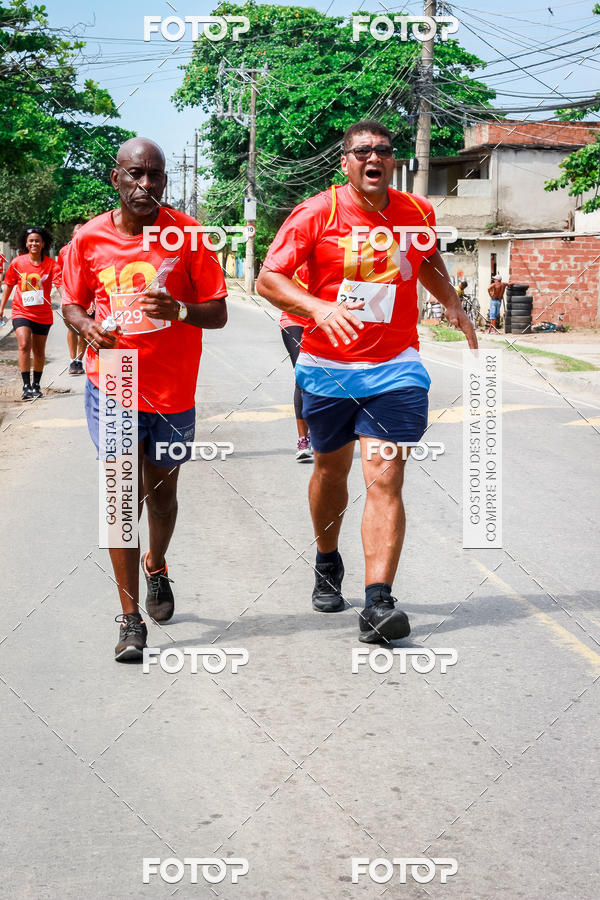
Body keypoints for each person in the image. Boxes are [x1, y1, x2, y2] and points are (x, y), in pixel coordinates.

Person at [257, 119, 477, 643]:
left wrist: (453, 304)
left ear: (392, 160)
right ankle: (327, 557)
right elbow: (269, 278)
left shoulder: (416, 212)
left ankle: (379, 603)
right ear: (345, 162)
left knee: (384, 474)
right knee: (332, 475)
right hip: (328, 367)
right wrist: (317, 306)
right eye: (361, 152)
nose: (372, 159)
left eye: (381, 150)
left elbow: (426, 260)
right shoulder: (318, 212)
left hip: (395, 365)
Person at [62, 137, 228, 661]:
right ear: (116, 178)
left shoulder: (189, 237)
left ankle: (156, 564)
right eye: (134, 174)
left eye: (155, 175)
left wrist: (178, 309)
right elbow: (70, 303)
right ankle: (130, 618)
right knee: (121, 500)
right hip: (114, 379)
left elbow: (218, 312)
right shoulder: (88, 239)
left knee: (161, 497)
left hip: (173, 390)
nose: (145, 185)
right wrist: (87, 325)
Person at [0, 226, 62, 400]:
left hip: (43, 314)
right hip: (21, 311)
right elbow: (9, 285)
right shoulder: (18, 263)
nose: (34, 243)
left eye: (37, 241)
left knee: (39, 351)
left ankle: (36, 384)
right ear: (26, 244)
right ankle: (26, 386)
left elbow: (59, 284)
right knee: (24, 344)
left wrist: (66, 303)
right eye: (31, 241)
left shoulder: (51, 265)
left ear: (43, 244)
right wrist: (1, 307)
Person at [280, 264, 313, 462]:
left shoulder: (339, 248)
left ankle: (321, 433)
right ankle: (303, 439)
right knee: (302, 375)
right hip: (295, 320)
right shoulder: (294, 255)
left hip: (324, 320)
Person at [58, 224, 87, 374]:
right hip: (70, 296)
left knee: (83, 330)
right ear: (72, 237)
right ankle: (71, 360)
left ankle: (79, 361)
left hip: (87, 297)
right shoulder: (64, 252)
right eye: (76, 234)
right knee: (72, 328)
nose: (78, 236)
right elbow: (59, 274)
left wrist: (94, 300)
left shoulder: (90, 249)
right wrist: (62, 293)